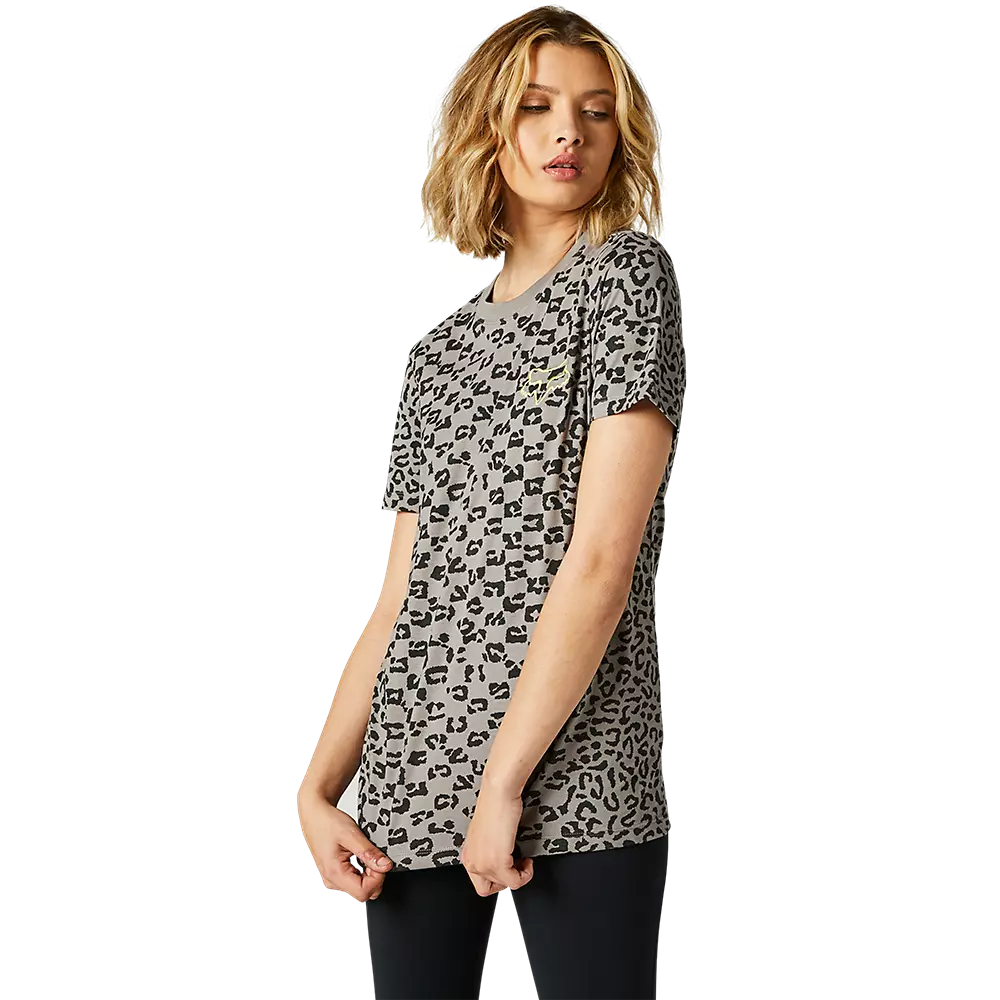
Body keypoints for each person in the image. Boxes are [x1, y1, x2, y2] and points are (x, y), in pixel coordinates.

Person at [297, 6, 687, 998]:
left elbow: (599, 562)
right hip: (415, 766)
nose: (569, 133)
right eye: (536, 106)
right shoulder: (435, 356)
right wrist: (317, 786)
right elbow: (400, 600)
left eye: (595, 111)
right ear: (485, 127)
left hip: (580, 766)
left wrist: (502, 783)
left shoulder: (625, 279)